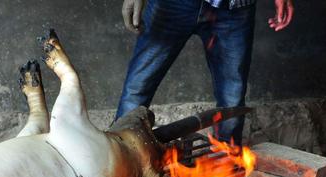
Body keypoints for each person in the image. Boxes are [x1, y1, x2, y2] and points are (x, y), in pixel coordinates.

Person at [117, 0, 294, 145]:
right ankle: (116, 164)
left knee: (231, 101)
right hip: (171, 4)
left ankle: (225, 175)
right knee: (136, 90)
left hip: (235, 8)